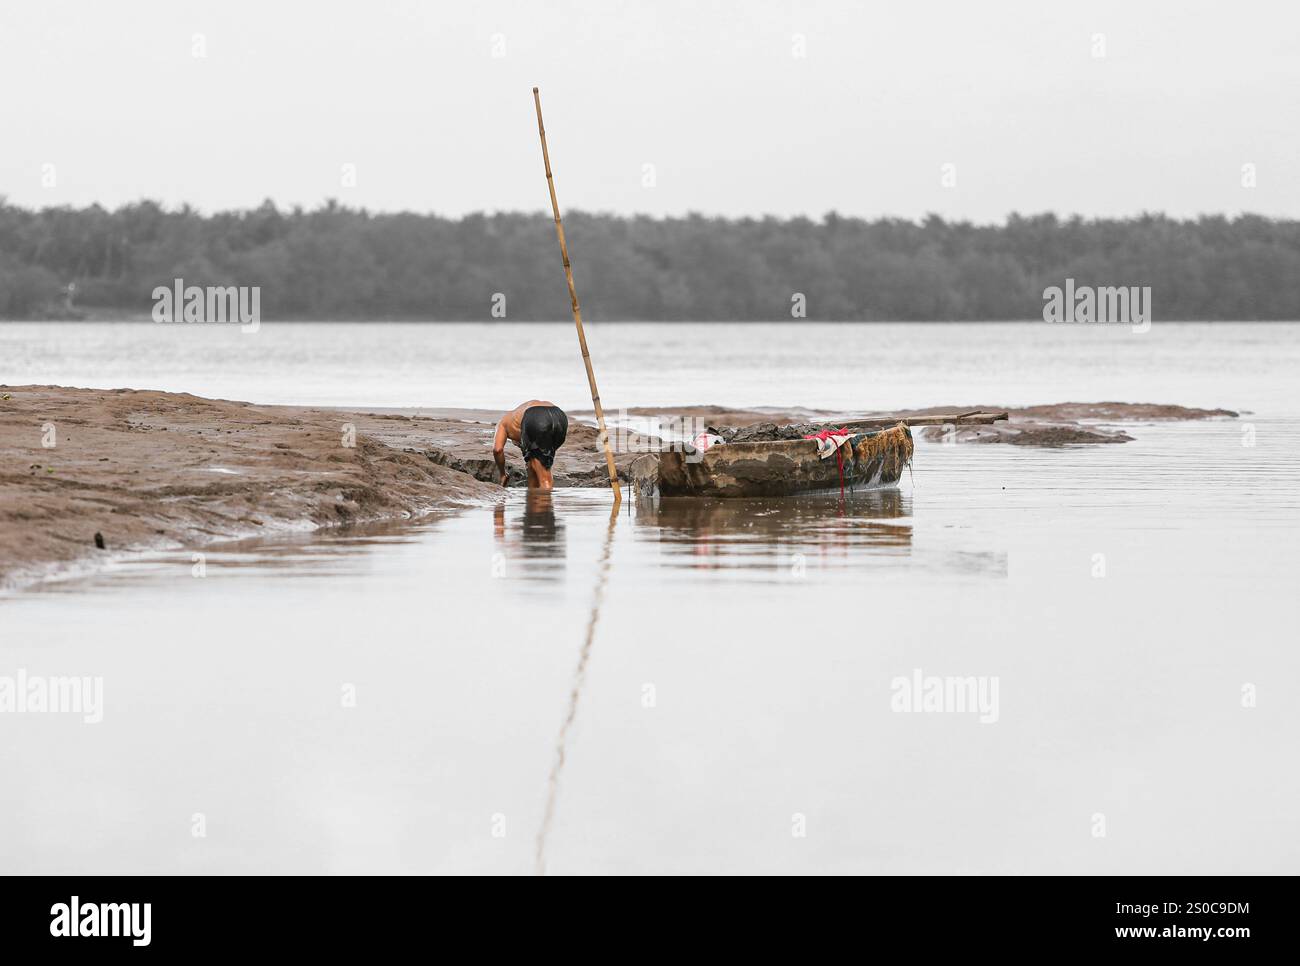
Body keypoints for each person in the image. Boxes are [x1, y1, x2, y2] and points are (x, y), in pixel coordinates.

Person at [492, 400, 568, 490]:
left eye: (518, 444)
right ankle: (533, 500)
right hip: (559, 416)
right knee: (537, 466)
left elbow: (497, 450)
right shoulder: (516, 417)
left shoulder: (502, 423)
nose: (519, 446)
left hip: (536, 417)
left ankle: (546, 502)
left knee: (544, 477)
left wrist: (502, 474)